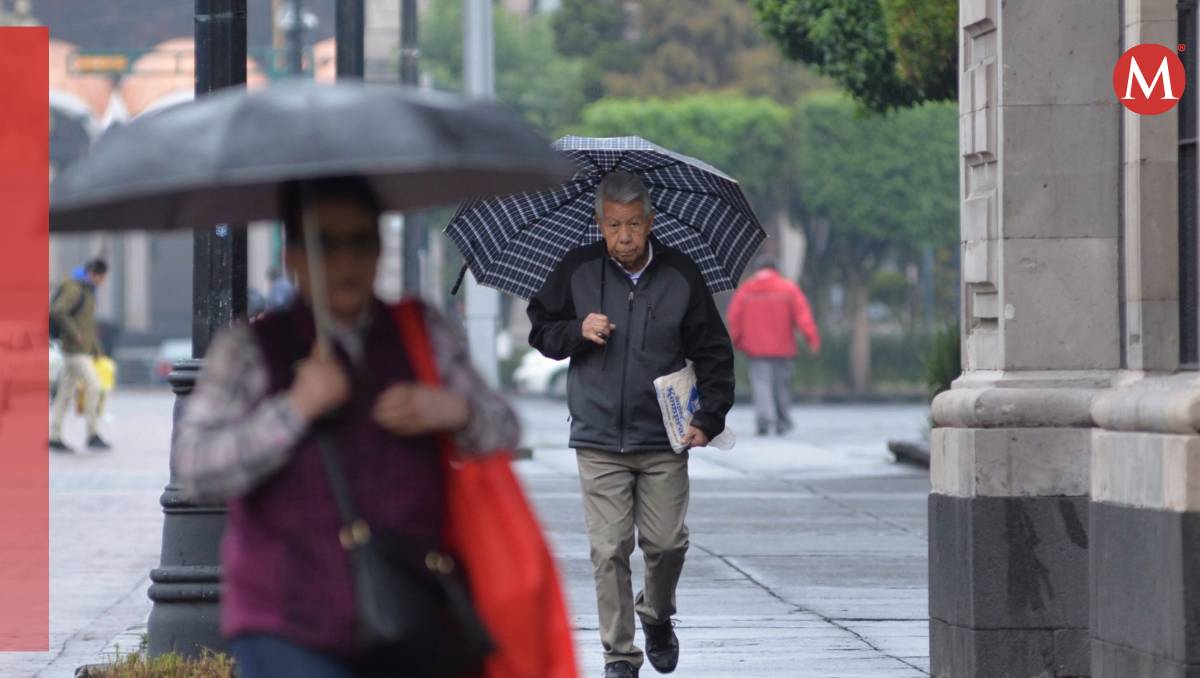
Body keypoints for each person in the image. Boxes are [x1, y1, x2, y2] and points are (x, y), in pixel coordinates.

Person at [173, 176, 520, 677]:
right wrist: (293, 410)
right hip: (285, 621)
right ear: (293, 255)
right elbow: (197, 469)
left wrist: (454, 411)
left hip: (409, 609)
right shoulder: (248, 350)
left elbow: (503, 429)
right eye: (326, 243)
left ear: (379, 249)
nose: (346, 261)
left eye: (361, 241)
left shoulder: (420, 333)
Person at [527, 170, 735, 678]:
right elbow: (541, 331)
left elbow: (713, 352)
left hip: (664, 437)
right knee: (608, 548)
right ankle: (619, 654)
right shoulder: (577, 271)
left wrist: (709, 418)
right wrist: (578, 330)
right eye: (615, 225)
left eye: (634, 224)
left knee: (666, 544)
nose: (625, 236)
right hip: (598, 437)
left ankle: (657, 616)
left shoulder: (680, 274)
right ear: (600, 223)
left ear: (650, 221)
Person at [726, 256, 821, 436]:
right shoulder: (788, 289)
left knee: (761, 385)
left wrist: (737, 341)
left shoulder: (746, 290)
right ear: (776, 269)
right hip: (783, 349)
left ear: (757, 270)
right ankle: (782, 420)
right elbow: (803, 316)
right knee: (781, 386)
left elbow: (734, 318)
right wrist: (812, 339)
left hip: (756, 350)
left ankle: (764, 419)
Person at [49, 258, 111, 452]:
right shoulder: (76, 289)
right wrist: (74, 333)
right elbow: (57, 311)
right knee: (94, 385)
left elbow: (88, 325)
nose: (103, 281)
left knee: (64, 394)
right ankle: (92, 433)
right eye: (102, 277)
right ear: (94, 274)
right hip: (75, 350)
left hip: (80, 349)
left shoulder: (87, 291)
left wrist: (96, 349)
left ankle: (54, 435)